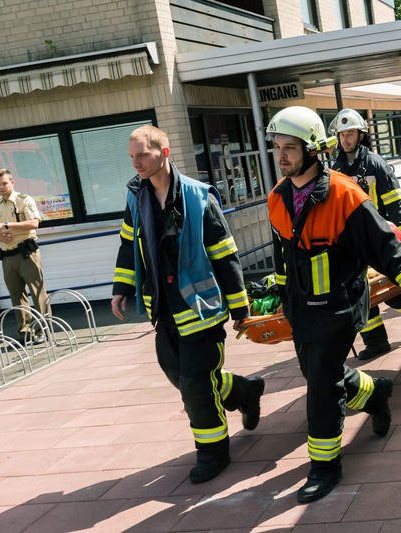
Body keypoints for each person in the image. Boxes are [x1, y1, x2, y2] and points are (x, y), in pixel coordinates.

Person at [265, 106, 401, 503]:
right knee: (318, 374)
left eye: (290, 147)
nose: (282, 155)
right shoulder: (277, 198)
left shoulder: (344, 194)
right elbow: (281, 256)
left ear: (314, 150)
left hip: (340, 305)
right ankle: (374, 393)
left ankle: (325, 467)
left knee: (321, 388)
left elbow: (386, 247)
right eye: (277, 147)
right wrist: (277, 294)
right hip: (301, 307)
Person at [111, 125, 264, 485]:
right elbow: (126, 245)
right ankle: (243, 390)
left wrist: (240, 308)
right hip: (163, 309)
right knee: (179, 375)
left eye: (142, 155)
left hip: (201, 307)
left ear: (163, 153)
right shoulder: (136, 198)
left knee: (196, 382)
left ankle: (213, 452)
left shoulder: (198, 197)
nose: (136, 163)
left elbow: (225, 254)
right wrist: (122, 287)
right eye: (131, 157)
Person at [329, 108, 401, 360]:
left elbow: (396, 203)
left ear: (361, 135)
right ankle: (376, 341)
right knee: (360, 292)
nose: (346, 139)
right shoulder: (336, 170)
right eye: (342, 134)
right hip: (353, 243)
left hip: (379, 237)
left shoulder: (376, 164)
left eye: (351, 134)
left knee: (388, 288)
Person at [0, 169, 49, 345]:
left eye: (4, 183)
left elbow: (34, 223)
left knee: (38, 292)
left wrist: (7, 225)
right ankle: (25, 332)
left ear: (12, 182)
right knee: (16, 296)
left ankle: (44, 329)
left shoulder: (24, 200)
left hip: (27, 253)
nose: (1, 187)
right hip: (8, 256)